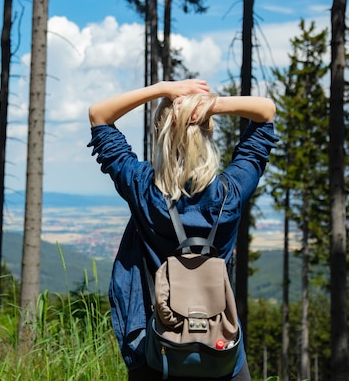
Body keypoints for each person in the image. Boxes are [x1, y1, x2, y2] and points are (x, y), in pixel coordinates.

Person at [87, 79, 277, 381]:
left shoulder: (143, 188)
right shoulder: (230, 193)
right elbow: (266, 112)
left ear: (159, 133)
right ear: (207, 130)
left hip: (156, 350)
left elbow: (99, 115)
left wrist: (162, 88)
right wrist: (210, 105)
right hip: (221, 350)